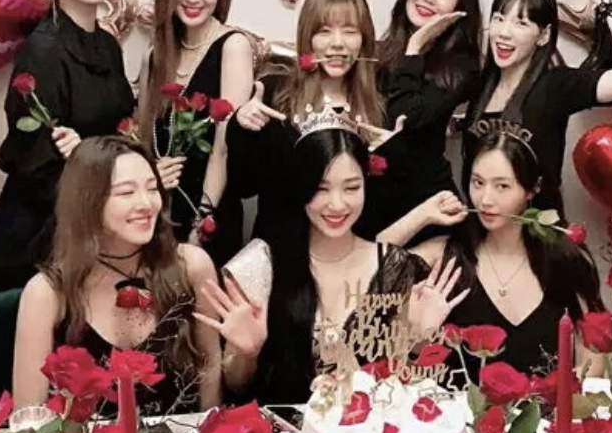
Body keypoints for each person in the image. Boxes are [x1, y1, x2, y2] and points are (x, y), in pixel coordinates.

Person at [198, 124, 467, 404]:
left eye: (351, 188)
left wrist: (419, 338)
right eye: (321, 189)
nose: (337, 205)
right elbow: (238, 385)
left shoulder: (394, 266)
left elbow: (401, 386)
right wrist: (247, 352)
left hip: (365, 427)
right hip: (281, 428)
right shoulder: (261, 265)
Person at [0, 0, 135, 298]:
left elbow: (116, 133)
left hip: (92, 223)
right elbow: (35, 167)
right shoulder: (43, 51)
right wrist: (96, 196)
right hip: (41, 234)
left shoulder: (107, 45)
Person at [12, 136, 221, 415]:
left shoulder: (191, 266)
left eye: (152, 188)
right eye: (126, 193)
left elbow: (210, 376)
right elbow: (29, 418)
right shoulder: (47, 293)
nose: (146, 203)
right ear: (87, 202)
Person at [380, 125, 605, 378]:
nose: (485, 199)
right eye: (478, 183)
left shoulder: (566, 260)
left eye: (502, 186)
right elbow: (366, 267)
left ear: (533, 188)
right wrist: (421, 215)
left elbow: (592, 360)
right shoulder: (444, 255)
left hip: (548, 404)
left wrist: (559, 401)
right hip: (453, 404)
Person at [226, 0, 398, 246]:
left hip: (348, 256)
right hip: (281, 253)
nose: (337, 43)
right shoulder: (274, 95)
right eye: (325, 31)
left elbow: (381, 208)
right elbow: (243, 187)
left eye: (350, 31)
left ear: (364, 41)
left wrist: (394, 155)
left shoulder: (380, 105)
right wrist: (241, 127)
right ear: (308, 39)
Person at [463, 0, 612, 220]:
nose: (504, 33)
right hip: (482, 227)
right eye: (499, 19)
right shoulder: (479, 86)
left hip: (536, 232)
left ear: (543, 36)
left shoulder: (556, 86)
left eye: (521, 23)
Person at [138, 0, 254, 267]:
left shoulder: (233, 46)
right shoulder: (154, 55)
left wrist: (202, 221)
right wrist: (151, 174)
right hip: (155, 216)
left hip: (209, 215)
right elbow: (143, 138)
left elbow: (223, 146)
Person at [375, 0, 483, 234]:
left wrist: (415, 48)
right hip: (374, 203)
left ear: (460, 7)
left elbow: (406, 116)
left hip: (429, 206)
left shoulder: (462, 67)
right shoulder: (380, 52)